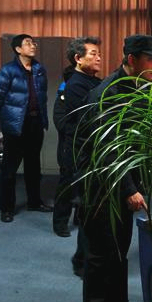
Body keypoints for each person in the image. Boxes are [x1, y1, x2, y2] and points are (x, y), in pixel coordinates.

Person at [82, 34, 152, 302]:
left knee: (119, 251)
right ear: (131, 59)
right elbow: (106, 149)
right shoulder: (106, 93)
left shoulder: (138, 89)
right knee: (99, 258)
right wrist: (129, 189)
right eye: (150, 59)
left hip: (124, 185)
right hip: (102, 188)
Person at [0, 34, 49, 222]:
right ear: (18, 49)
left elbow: (43, 97)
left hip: (35, 122)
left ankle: (34, 202)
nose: (33, 46)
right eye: (28, 43)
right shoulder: (7, 71)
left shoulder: (39, 69)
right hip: (15, 125)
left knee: (34, 166)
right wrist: (8, 119)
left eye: (33, 43)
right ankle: (6, 208)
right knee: (9, 169)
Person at [53, 37, 102, 240]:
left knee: (85, 183)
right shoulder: (74, 84)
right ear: (78, 58)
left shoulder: (94, 81)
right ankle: (60, 222)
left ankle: (79, 218)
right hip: (73, 144)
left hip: (87, 143)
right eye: (93, 54)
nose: (99, 58)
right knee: (68, 183)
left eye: (99, 54)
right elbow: (86, 116)